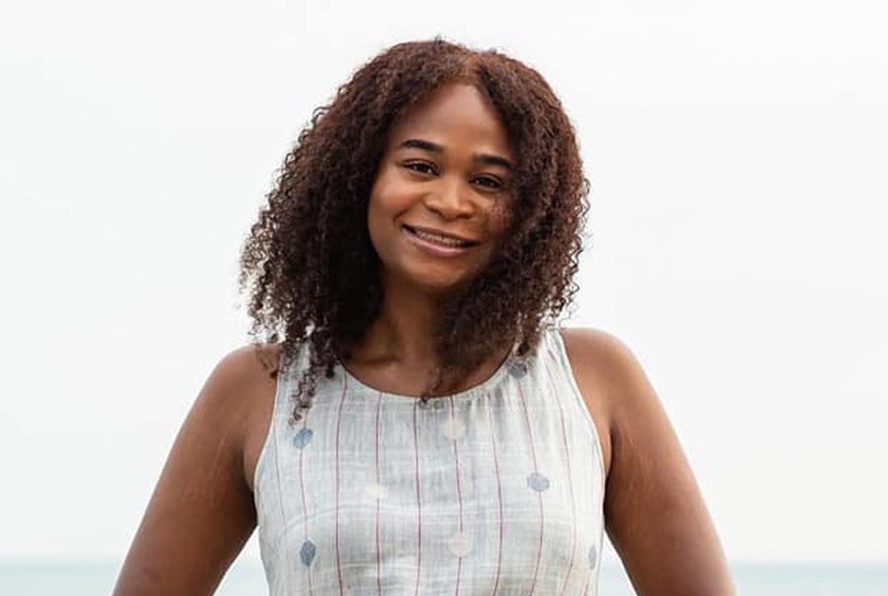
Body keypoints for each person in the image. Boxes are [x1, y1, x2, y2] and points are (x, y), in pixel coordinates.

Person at [113, 39, 734, 596]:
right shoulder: (258, 390)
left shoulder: (595, 380)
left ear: (529, 210)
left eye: (489, 181)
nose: (449, 201)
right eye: (420, 166)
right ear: (360, 177)